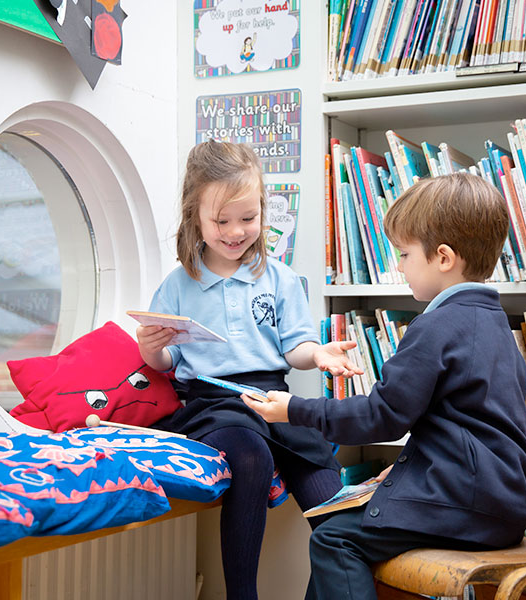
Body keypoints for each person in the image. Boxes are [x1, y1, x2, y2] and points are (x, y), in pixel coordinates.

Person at [245, 173, 526, 600]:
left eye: (404, 254)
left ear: (443, 257)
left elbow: (379, 417)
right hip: (502, 507)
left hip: (461, 506)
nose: (398, 265)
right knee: (339, 529)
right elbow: (466, 426)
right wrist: (405, 471)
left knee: (333, 539)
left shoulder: (436, 327)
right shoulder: (497, 326)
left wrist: (294, 409)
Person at [137, 140, 362, 600]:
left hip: (272, 400)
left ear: (262, 212)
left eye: (248, 218)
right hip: (212, 405)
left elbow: (295, 347)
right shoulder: (178, 285)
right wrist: (150, 349)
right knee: (250, 456)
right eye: (221, 221)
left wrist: (317, 355)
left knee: (331, 500)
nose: (236, 232)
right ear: (195, 218)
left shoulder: (280, 279)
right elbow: (165, 364)